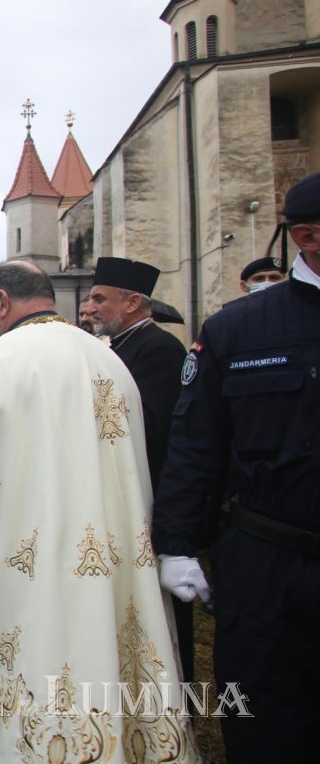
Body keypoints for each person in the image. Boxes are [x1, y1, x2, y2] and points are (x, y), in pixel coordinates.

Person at [0, 261, 197, 764]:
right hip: (109, 556)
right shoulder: (110, 361)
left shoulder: (2, 359)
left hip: (22, 557)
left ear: (1, 302)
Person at [153, 172, 320, 762]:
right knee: (263, 720)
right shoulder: (235, 330)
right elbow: (195, 446)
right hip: (266, 563)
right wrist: (175, 545)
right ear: (307, 236)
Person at [86, 257, 192, 681]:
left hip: (149, 498)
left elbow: (148, 428)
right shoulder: (119, 347)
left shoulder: (160, 350)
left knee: (159, 612)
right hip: (120, 494)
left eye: (99, 298)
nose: (89, 307)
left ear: (132, 302)